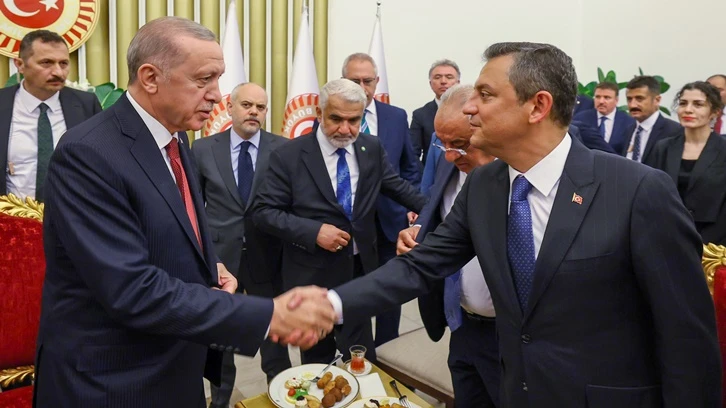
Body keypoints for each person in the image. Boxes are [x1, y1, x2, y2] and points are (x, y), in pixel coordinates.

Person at [318, 42, 720, 407]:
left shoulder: (637, 191)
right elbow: (421, 265)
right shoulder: (484, 186)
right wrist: (330, 304)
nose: (469, 107)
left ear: (537, 106)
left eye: (485, 94)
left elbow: (687, 339)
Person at [36, 17, 335, 407]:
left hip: (176, 363)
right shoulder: (88, 154)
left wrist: (211, 265)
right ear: (150, 78)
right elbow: (130, 289)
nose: (217, 95)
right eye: (203, 80)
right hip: (114, 380)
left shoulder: (176, 139)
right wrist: (267, 314)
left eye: (218, 79)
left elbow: (175, 229)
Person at [252, 78, 427, 365]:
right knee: (317, 361)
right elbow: (263, 212)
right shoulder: (288, 155)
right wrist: (314, 231)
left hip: (359, 272)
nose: (345, 129)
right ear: (319, 113)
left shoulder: (370, 148)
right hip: (311, 275)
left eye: (353, 120)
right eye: (336, 119)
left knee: (361, 356)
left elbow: (401, 189)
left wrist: (440, 213)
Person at [398, 84, 499, 407]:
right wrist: (418, 230)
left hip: (508, 333)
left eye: (459, 144)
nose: (450, 154)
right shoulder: (449, 159)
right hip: (461, 321)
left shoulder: (518, 175)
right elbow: (435, 206)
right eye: (442, 144)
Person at [191, 82, 291, 407]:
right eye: (247, 105)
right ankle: (220, 400)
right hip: (221, 259)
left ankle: (283, 396)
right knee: (221, 340)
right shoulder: (203, 149)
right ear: (230, 107)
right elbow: (194, 207)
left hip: (268, 257)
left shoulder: (283, 148)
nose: (254, 112)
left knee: (274, 336)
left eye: (260, 107)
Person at [341, 53, 421, 346]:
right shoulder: (331, 120)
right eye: (355, 81)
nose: (362, 87)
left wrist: (413, 207)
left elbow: (409, 166)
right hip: (349, 226)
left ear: (377, 81)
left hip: (390, 222)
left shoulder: (396, 116)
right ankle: (357, 353)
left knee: (389, 293)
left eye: (368, 80)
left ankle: (388, 352)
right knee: (355, 294)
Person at [0, 30, 101, 202]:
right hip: (10, 214)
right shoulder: (3, 104)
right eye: (46, 63)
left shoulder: (86, 105)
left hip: (71, 212)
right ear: (20, 64)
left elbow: (101, 164)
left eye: (63, 63)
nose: (58, 72)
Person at [645, 81, 726, 245]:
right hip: (667, 236)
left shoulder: (723, 149)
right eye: (683, 103)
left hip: (715, 243)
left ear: (714, 112)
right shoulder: (663, 148)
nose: (688, 109)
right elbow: (649, 194)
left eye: (698, 104)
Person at [409, 59, 461, 165]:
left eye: (449, 77)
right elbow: (412, 153)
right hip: (433, 171)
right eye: (437, 77)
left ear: (458, 82)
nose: (443, 81)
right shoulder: (420, 115)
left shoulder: (470, 110)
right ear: (430, 83)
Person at [624, 75, 682, 164]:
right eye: (629, 99)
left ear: (657, 100)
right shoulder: (628, 130)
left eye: (639, 99)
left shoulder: (674, 131)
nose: (632, 105)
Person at [573, 81, 635, 154]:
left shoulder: (628, 122)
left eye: (607, 98)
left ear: (616, 100)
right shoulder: (580, 118)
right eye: (598, 97)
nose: (601, 101)